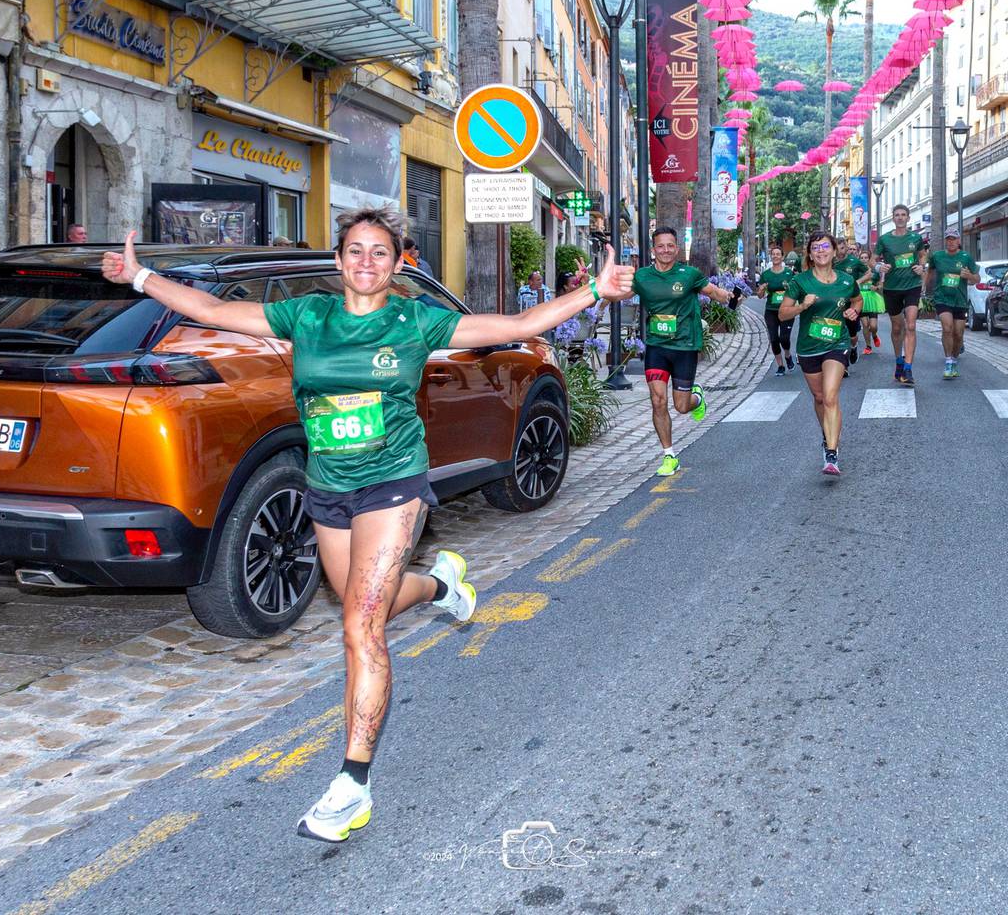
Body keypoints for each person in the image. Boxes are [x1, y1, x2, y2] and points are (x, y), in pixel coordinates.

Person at [100, 206, 633, 843]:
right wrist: (140, 279)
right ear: (338, 261)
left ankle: (352, 785)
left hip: (393, 484)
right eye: (355, 251)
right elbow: (213, 313)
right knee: (363, 606)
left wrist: (592, 291)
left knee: (360, 625)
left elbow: (518, 323)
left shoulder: (416, 320)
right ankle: (440, 586)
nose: (366, 262)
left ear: (397, 262)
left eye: (380, 252)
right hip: (329, 487)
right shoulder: (308, 316)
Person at [634, 226, 740, 477]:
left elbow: (712, 292)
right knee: (658, 401)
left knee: (681, 406)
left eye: (670, 245)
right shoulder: (642, 277)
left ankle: (697, 398)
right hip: (657, 346)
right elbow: (618, 292)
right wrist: (593, 294)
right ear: (653, 250)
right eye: (661, 246)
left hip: (684, 346)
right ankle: (669, 455)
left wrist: (731, 298)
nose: (666, 250)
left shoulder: (689, 274)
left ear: (677, 248)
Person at [779, 231, 861, 476]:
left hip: (837, 344)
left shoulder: (847, 280)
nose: (821, 251)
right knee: (818, 398)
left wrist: (854, 312)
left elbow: (857, 300)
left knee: (830, 396)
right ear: (810, 254)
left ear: (835, 251)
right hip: (809, 347)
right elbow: (783, 313)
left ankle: (832, 453)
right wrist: (803, 305)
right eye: (816, 248)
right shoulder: (800, 282)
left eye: (826, 246)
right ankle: (827, 436)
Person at [875, 204, 927, 386]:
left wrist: (922, 267)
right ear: (892, 218)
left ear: (908, 218)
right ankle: (898, 361)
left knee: (911, 325)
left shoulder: (916, 237)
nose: (900, 218)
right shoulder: (885, 240)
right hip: (892, 287)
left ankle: (908, 367)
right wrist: (878, 267)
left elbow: (922, 255)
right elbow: (873, 260)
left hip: (912, 285)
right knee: (897, 328)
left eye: (903, 215)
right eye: (897, 215)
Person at [927, 228, 980, 379]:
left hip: (960, 300)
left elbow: (977, 279)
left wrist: (969, 275)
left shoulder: (966, 257)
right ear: (945, 241)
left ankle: (955, 359)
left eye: (953, 239)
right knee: (947, 327)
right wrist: (924, 289)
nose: (950, 242)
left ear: (958, 241)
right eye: (948, 239)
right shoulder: (937, 256)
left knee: (958, 334)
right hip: (942, 298)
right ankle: (949, 362)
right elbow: (930, 272)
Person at [755, 247, 796, 377]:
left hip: (787, 310)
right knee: (773, 339)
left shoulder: (789, 273)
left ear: (782, 257)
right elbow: (760, 295)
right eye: (773, 254)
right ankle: (780, 365)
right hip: (771, 310)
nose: (776, 256)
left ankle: (788, 356)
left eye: (778, 254)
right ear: (771, 257)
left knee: (784, 338)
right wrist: (761, 289)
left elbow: (795, 291)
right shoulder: (766, 274)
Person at [834, 239, 871, 370]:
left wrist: (857, 282)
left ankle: (854, 347)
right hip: (835, 302)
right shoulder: (830, 262)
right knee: (837, 332)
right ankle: (843, 365)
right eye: (838, 248)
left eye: (843, 248)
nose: (840, 251)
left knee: (852, 334)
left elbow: (868, 273)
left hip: (852, 302)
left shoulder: (854, 261)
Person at [856, 248, 884, 354]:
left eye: (865, 258)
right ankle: (868, 346)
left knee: (873, 326)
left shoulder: (874, 271)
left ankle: (875, 335)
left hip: (872, 299)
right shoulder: (857, 272)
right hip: (861, 300)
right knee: (865, 324)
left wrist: (876, 288)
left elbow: (880, 284)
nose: (863, 260)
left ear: (869, 259)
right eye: (861, 258)